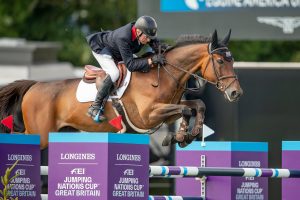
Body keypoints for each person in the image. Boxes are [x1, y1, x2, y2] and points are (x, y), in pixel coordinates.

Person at [86, 15, 166, 122]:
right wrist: (151, 60)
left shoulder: (144, 32)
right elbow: (131, 65)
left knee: (142, 64)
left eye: (149, 38)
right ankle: (95, 107)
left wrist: (164, 49)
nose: (148, 41)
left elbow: (156, 44)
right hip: (102, 49)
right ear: (138, 32)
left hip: (119, 51)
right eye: (146, 38)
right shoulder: (123, 37)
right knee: (114, 73)